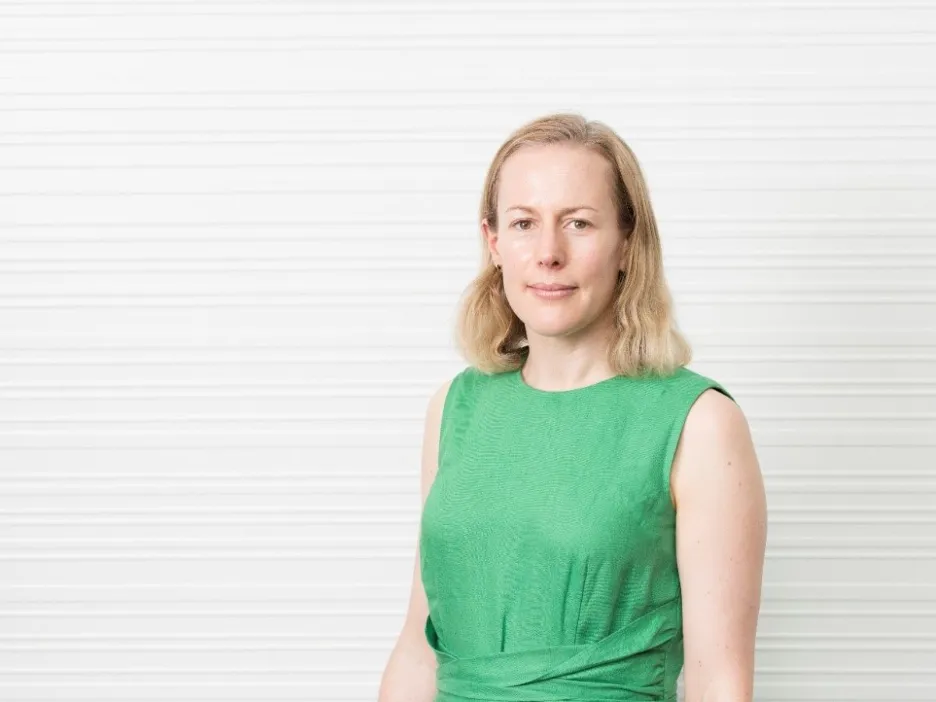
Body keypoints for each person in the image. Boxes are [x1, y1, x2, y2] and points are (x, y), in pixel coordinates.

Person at [378, 113, 767, 702]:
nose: (548, 253)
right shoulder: (455, 409)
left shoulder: (699, 422)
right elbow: (417, 647)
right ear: (494, 243)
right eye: (524, 223)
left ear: (627, 243)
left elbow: (721, 681)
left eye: (579, 223)